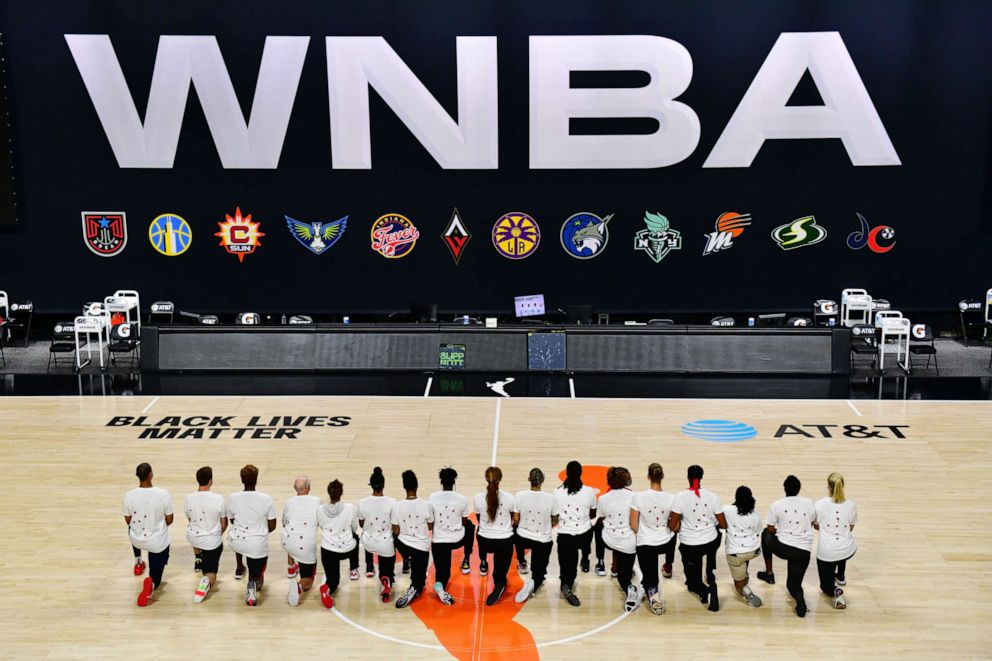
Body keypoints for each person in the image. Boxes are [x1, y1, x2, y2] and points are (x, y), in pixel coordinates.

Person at [669, 465, 725, 612]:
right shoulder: (713, 496)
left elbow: (673, 525)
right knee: (717, 534)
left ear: (688, 478)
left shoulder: (679, 497)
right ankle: (710, 570)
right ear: (701, 478)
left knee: (691, 581)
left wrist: (679, 522)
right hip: (711, 542)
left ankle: (703, 590)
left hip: (691, 545)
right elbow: (723, 524)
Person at [757, 474, 815, 618]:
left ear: (785, 489)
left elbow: (770, 528)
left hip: (783, 548)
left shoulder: (777, 504)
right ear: (799, 489)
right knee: (793, 586)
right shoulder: (809, 503)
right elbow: (814, 521)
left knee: (765, 534)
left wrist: (780, 531)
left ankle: (769, 574)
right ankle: (800, 599)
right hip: (803, 552)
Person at [123, 462, 174, 607]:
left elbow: (128, 520)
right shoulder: (163, 494)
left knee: (132, 527)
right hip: (157, 542)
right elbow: (169, 520)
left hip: (136, 540)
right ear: (151, 475)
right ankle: (152, 583)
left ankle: (138, 561)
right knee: (156, 575)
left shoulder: (128, 495)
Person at [226, 465, 276, 606]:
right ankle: (252, 584)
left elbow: (232, 521)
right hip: (256, 545)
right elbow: (272, 526)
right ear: (256, 480)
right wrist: (259, 530)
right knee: (257, 576)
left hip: (236, 542)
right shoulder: (266, 498)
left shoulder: (233, 497)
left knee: (239, 533)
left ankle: (239, 567)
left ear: (242, 480)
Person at [630, 462, 675, 615]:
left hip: (646, 544)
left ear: (648, 476)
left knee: (649, 570)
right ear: (662, 476)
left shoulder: (638, 497)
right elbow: (674, 523)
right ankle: (668, 564)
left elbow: (633, 524)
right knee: (672, 536)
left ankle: (653, 592)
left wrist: (643, 533)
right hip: (666, 543)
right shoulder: (671, 498)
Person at [554, 460, 598, 607]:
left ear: (566, 474)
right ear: (581, 473)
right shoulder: (590, 491)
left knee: (568, 565)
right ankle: (585, 559)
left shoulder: (557, 492)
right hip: (584, 535)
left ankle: (566, 584)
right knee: (588, 531)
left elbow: (554, 515)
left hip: (565, 537)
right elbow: (592, 514)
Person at [597, 466, 640, 612]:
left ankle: (600, 562)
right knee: (624, 577)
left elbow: (601, 517)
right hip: (629, 543)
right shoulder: (635, 496)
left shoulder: (603, 499)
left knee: (598, 526)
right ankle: (630, 588)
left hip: (609, 540)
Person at [513, 468, 559, 603]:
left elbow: (515, 520)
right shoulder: (552, 498)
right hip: (542, 540)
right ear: (542, 481)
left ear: (529, 479)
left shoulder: (519, 495)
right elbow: (555, 520)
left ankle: (522, 562)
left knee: (515, 532)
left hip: (523, 538)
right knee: (539, 571)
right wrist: (545, 527)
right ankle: (534, 581)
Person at [813, 473, 857, 610]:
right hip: (848, 549)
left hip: (827, 553)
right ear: (842, 486)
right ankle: (841, 575)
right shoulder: (851, 505)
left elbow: (815, 525)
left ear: (828, 486)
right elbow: (850, 527)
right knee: (841, 548)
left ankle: (836, 592)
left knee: (825, 586)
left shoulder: (819, 504)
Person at [391, 469, 433, 608]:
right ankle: (413, 589)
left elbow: (396, 530)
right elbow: (430, 526)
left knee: (393, 536)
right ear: (417, 486)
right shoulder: (426, 505)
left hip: (404, 545)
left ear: (404, 487)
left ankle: (406, 559)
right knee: (419, 584)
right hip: (421, 547)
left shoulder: (396, 506)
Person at [428, 467, 471, 605]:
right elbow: (464, 522)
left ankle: (439, 584)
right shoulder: (462, 499)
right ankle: (466, 560)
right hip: (457, 539)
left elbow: (431, 520)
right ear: (454, 482)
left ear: (441, 482)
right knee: (470, 526)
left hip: (439, 541)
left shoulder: (432, 497)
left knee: (443, 573)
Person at [184, 466, 226, 603]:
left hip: (193, 538)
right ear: (211, 481)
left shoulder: (189, 498)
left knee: (195, 528)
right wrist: (216, 535)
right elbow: (224, 524)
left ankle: (198, 558)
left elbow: (190, 519)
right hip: (211, 542)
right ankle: (205, 581)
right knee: (211, 573)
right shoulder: (219, 498)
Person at [474, 466, 515, 606]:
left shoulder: (478, 498)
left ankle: (483, 561)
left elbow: (479, 520)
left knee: (478, 531)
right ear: (500, 480)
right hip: (504, 542)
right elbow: (513, 519)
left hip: (485, 542)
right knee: (500, 571)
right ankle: (500, 583)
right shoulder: (510, 498)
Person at [316, 479, 359, 609]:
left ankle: (327, 588)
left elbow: (321, 526)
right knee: (355, 538)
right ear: (341, 493)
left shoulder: (319, 510)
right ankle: (353, 569)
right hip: (347, 549)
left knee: (334, 580)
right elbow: (355, 528)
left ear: (329, 493)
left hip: (328, 551)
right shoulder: (350, 508)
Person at [281, 476, 321, 607]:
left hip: (287, 542)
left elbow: (284, 523)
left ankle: (291, 568)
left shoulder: (288, 502)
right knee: (308, 579)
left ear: (295, 489)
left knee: (291, 532)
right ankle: (299, 587)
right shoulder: (316, 501)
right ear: (309, 488)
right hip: (305, 546)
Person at [358, 467, 397, 602]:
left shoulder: (362, 502)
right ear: (383, 485)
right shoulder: (392, 502)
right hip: (385, 544)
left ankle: (369, 566)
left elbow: (361, 524)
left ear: (371, 485)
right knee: (387, 567)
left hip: (368, 543)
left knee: (368, 532)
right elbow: (395, 524)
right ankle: (386, 579)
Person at [723, 486, 763, 608]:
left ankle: (745, 590)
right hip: (753, 551)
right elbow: (757, 532)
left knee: (738, 585)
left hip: (735, 554)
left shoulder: (727, 510)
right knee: (745, 557)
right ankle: (744, 574)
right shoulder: (755, 514)